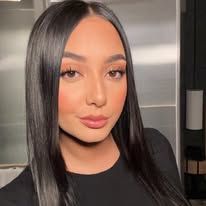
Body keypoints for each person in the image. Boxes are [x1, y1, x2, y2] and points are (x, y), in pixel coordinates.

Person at [0, 0, 191, 206]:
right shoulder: (14, 200)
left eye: (114, 72)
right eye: (71, 73)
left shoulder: (155, 149)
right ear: (41, 81)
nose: (99, 97)